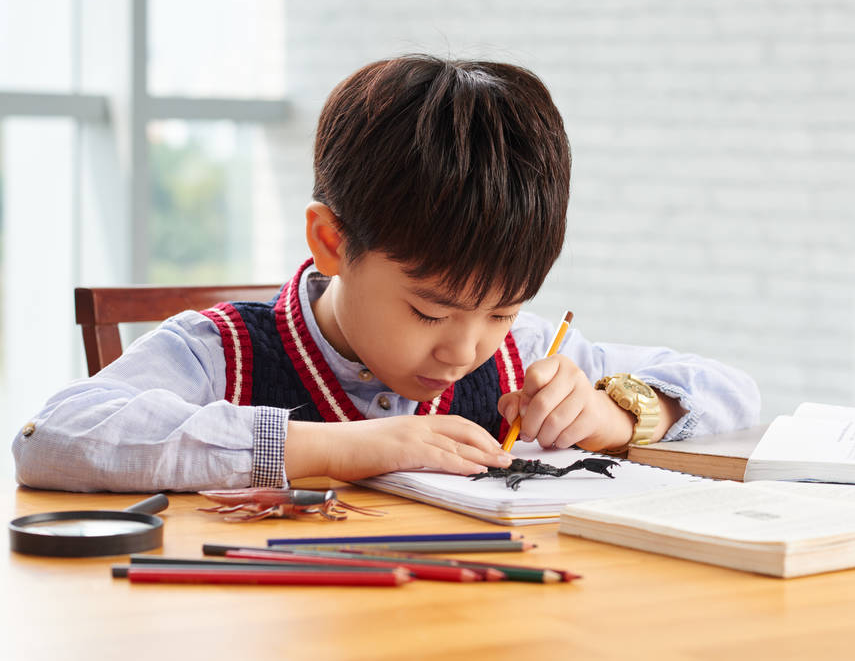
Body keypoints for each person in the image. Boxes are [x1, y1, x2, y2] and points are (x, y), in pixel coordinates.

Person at [12, 55, 760, 493]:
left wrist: (622, 411)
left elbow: (733, 388)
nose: (465, 349)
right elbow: (52, 435)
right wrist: (336, 448)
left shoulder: (519, 353)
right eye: (431, 313)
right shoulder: (223, 351)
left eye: (500, 310)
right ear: (330, 240)